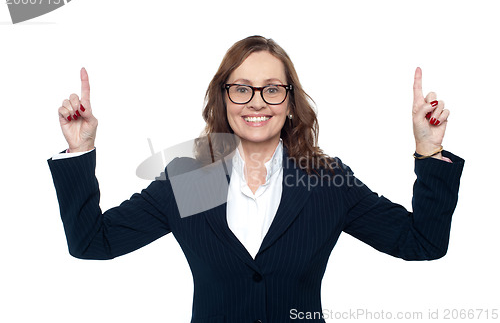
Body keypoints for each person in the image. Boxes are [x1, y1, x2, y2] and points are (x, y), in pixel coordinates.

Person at [47, 35, 465, 323]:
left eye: (272, 89)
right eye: (242, 88)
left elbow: (422, 243)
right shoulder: (194, 181)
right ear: (223, 98)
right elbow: (92, 243)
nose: (257, 102)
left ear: (289, 101)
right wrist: (80, 150)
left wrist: (428, 150)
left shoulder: (325, 183)